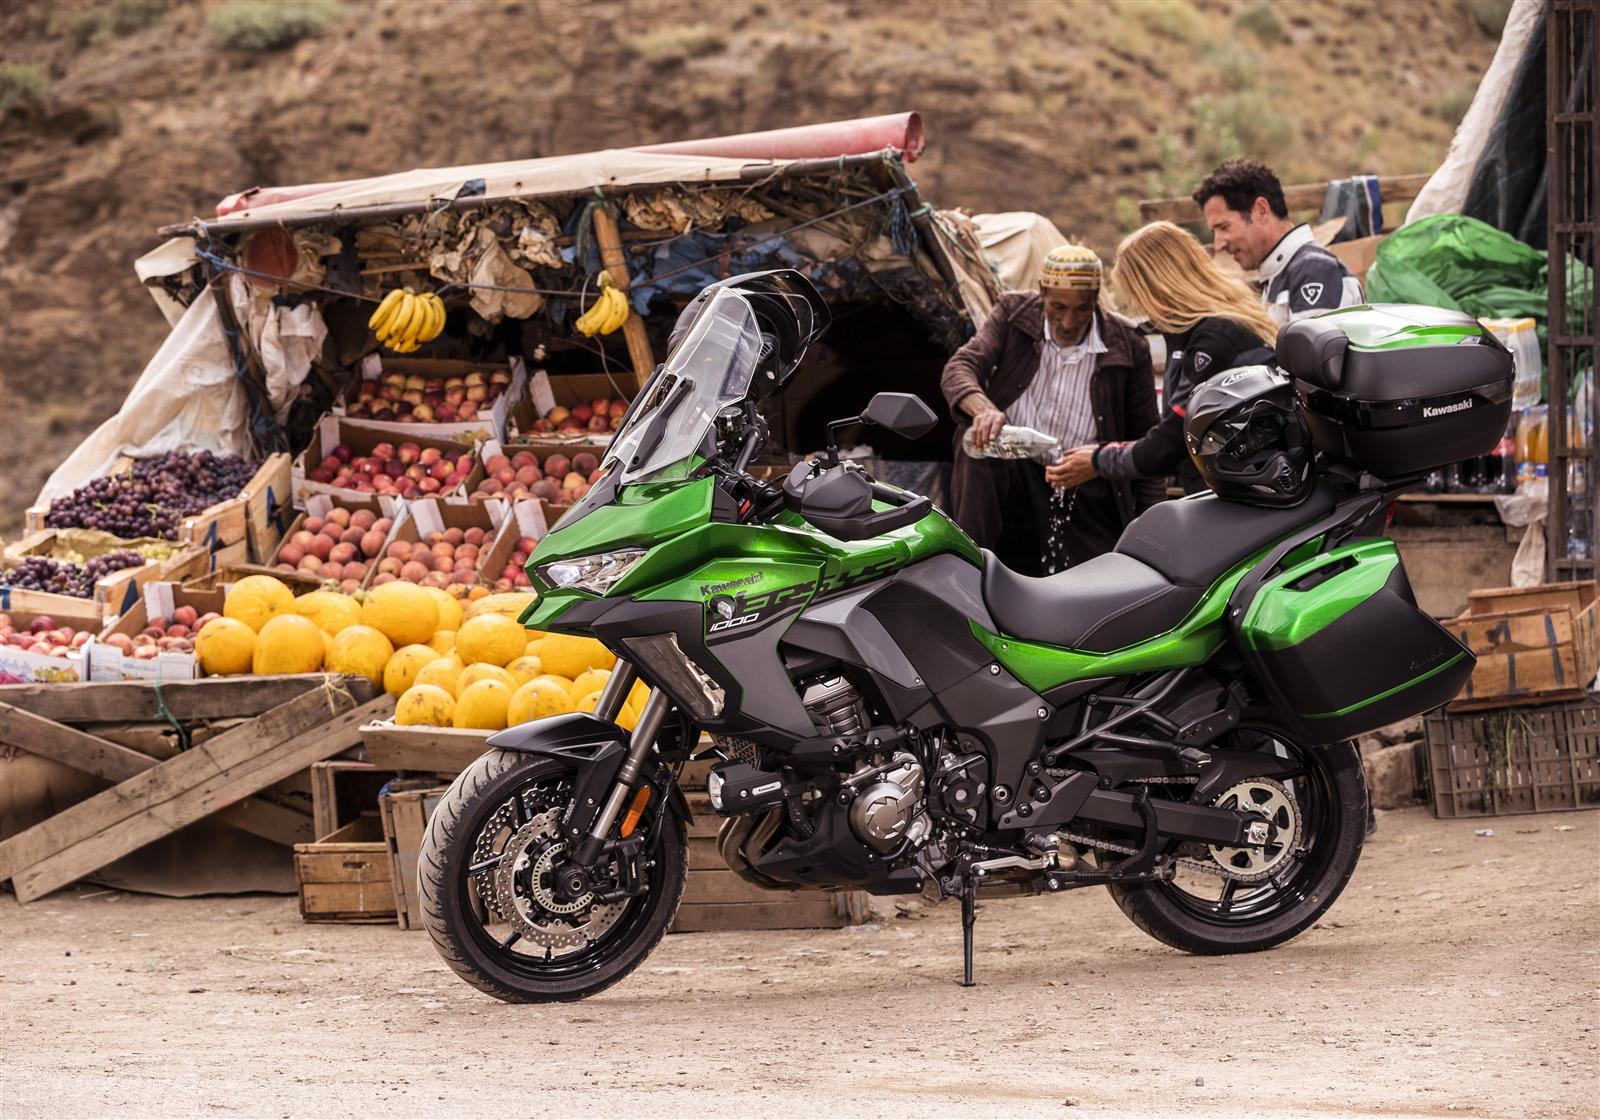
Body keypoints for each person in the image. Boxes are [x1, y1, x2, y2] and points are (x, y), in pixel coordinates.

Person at [941, 244, 1163, 575]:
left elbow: (1146, 443)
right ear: (1042, 293)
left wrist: (1152, 535)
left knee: (1094, 586)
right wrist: (983, 409)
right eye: (1057, 307)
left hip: (1084, 480)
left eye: (1081, 309)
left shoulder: (1128, 344)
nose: (1068, 321)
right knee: (978, 440)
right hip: (1016, 474)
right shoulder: (1013, 314)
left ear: (1096, 300)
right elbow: (961, 366)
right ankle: (970, 567)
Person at [1051, 221, 1279, 495]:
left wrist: (1099, 460)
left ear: (1156, 287)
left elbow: (1176, 437)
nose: (1137, 306)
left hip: (1251, 491)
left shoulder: (1214, 337)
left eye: (1136, 294)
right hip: (1245, 482)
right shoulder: (1201, 328)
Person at [1193, 158, 1363, 324]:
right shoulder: (1283, 272)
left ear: (1261, 210)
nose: (1218, 244)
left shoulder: (1313, 270)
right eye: (1214, 232)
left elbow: (1310, 351)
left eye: (1224, 227)